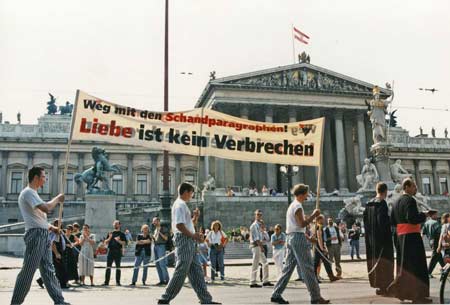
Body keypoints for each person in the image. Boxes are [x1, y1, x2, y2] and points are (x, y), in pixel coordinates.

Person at [10, 166, 69, 305]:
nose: (45, 179)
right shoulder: (28, 192)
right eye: (43, 176)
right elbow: (47, 208)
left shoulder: (33, 193)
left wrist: (53, 227)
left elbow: (39, 219)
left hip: (43, 234)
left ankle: (59, 301)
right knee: (28, 271)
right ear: (36, 177)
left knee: (48, 270)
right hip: (36, 235)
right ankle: (15, 303)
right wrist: (58, 199)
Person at [157, 182, 220, 304]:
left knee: (196, 272)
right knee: (181, 270)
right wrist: (194, 236)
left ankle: (205, 299)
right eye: (191, 193)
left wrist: (195, 218)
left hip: (188, 240)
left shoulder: (182, 205)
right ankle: (165, 298)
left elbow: (187, 225)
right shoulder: (180, 205)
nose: (191, 195)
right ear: (185, 192)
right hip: (184, 240)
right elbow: (179, 226)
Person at [271, 184, 329, 304]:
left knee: (287, 269)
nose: (308, 195)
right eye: (307, 193)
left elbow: (295, 228)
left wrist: (307, 237)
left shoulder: (293, 205)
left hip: (292, 238)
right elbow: (301, 224)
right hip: (297, 239)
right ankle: (316, 297)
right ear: (302, 194)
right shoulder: (297, 206)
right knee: (308, 268)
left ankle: (276, 294)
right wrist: (314, 215)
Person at [388, 178, 432, 303]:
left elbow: (392, 221)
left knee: (405, 267)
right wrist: (425, 215)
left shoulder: (396, 202)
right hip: (412, 237)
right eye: (414, 186)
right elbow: (412, 219)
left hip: (400, 238)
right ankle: (418, 296)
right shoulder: (410, 200)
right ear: (406, 187)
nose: (416, 188)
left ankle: (402, 292)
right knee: (416, 266)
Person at [363, 182, 394, 296]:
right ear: (385, 191)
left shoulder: (368, 204)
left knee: (375, 262)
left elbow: (365, 222)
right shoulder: (382, 203)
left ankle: (379, 286)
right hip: (383, 241)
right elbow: (383, 223)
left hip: (372, 240)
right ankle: (385, 286)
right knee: (386, 263)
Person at [249, 210, 273, 288]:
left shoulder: (259, 226)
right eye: (258, 214)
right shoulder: (254, 226)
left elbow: (266, 238)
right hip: (256, 246)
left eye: (260, 214)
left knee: (265, 263)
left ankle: (265, 280)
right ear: (255, 215)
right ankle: (252, 282)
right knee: (255, 264)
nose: (259, 216)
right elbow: (256, 238)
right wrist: (261, 247)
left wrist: (263, 230)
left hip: (259, 246)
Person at [313, 215, 339, 283]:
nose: (323, 220)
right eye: (322, 219)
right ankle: (315, 278)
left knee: (322, 262)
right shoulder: (319, 226)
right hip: (319, 248)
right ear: (319, 220)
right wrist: (322, 248)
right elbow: (319, 238)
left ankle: (331, 276)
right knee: (316, 263)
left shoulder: (316, 226)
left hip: (318, 247)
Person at [103, 220, 126, 286]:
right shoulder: (110, 233)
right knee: (108, 267)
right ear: (113, 225)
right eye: (114, 224)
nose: (115, 225)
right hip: (110, 251)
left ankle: (118, 282)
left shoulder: (122, 234)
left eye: (117, 224)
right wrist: (110, 238)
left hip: (118, 251)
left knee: (118, 267)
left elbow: (124, 243)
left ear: (119, 225)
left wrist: (119, 241)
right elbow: (105, 242)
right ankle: (106, 282)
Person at [422, 210, 444, 278]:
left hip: (430, 241)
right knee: (435, 256)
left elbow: (423, 233)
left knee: (439, 256)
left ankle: (445, 269)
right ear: (433, 215)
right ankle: (428, 272)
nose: (437, 216)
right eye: (436, 214)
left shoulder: (426, 223)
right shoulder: (436, 223)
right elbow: (440, 233)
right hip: (436, 240)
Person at [153, 216, 170, 285]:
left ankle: (167, 280)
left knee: (162, 264)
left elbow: (166, 238)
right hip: (155, 246)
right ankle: (161, 280)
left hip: (161, 246)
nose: (153, 222)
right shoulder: (155, 230)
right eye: (153, 221)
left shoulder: (163, 229)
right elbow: (155, 238)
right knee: (157, 264)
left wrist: (159, 232)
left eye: (155, 221)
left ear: (158, 221)